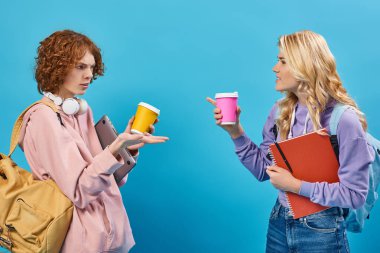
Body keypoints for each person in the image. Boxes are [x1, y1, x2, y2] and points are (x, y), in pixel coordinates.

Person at [207, 30, 374, 252]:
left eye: (283, 61)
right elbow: (262, 170)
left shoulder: (343, 120)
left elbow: (355, 195)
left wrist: (295, 186)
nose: (275, 68)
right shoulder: (280, 112)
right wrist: (235, 131)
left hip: (321, 230)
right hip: (279, 222)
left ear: (304, 65)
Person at [18, 30, 168, 252]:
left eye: (91, 67)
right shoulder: (44, 119)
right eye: (80, 67)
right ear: (57, 67)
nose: (89, 74)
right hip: (81, 242)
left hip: (111, 239)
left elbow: (107, 180)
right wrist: (114, 148)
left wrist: (124, 149)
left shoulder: (79, 111)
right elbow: (81, 191)